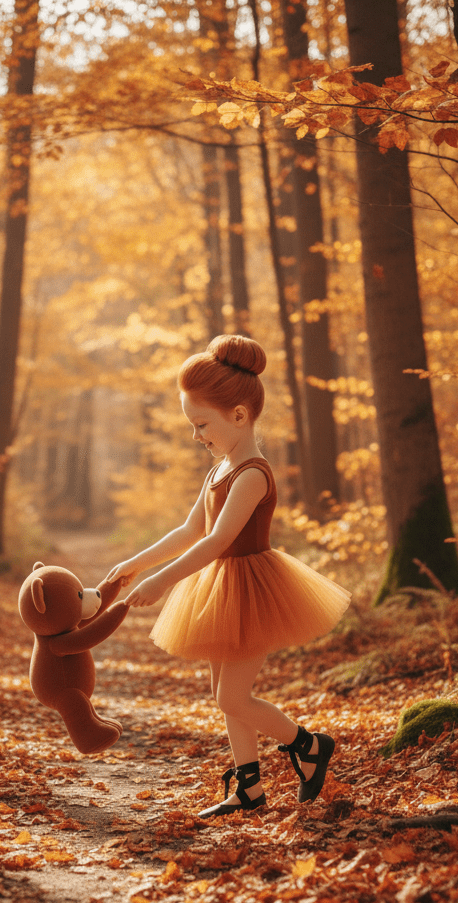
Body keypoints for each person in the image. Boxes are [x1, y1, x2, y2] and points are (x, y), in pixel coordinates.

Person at [106, 335, 351, 818]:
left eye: (201, 424)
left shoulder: (251, 474)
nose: (197, 436)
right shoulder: (220, 469)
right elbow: (189, 529)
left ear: (239, 415)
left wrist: (163, 581)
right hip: (219, 587)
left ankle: (309, 746)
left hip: (252, 588)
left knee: (232, 695)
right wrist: (136, 564)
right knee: (225, 698)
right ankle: (249, 788)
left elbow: (217, 540)